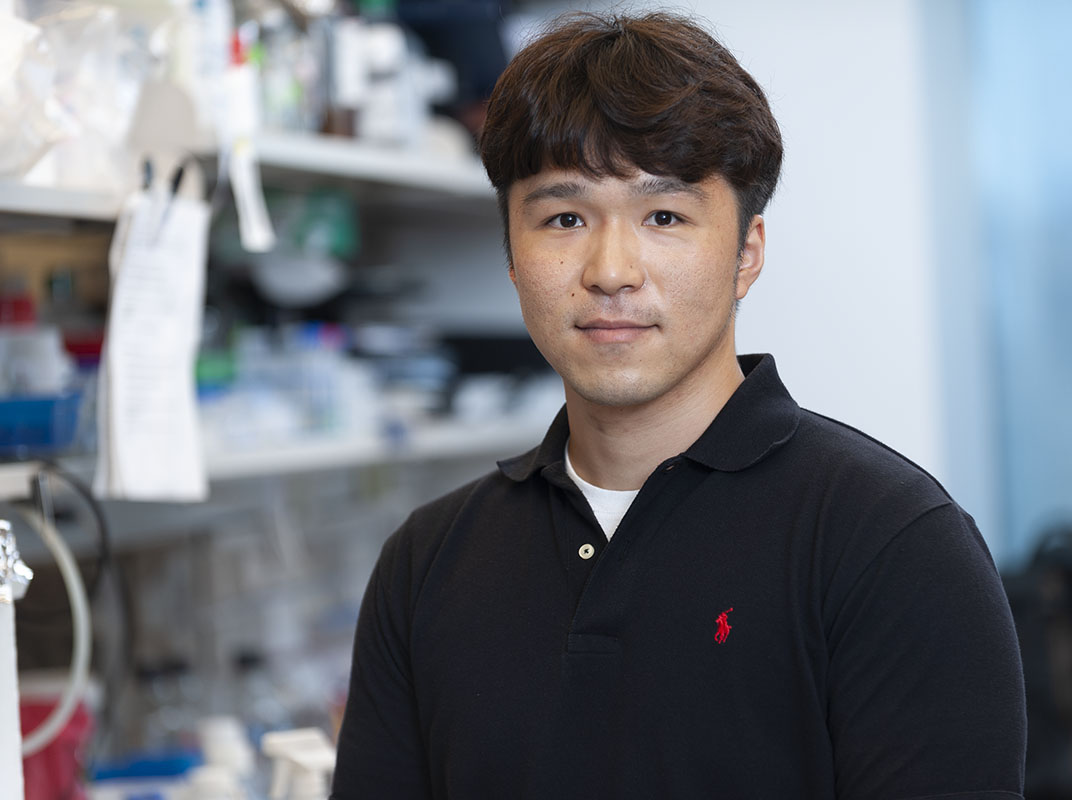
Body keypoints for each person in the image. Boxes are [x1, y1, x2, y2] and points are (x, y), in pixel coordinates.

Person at [331, 11, 1026, 800]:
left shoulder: (891, 546)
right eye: (564, 218)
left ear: (746, 254)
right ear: (513, 256)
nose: (611, 271)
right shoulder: (426, 563)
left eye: (664, 216)